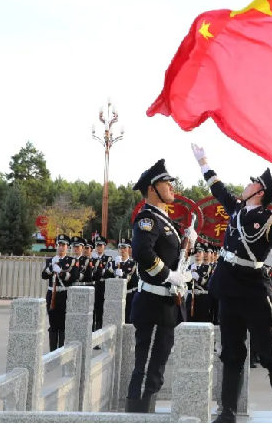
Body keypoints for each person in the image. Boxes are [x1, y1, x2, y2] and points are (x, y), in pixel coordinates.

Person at [190, 143, 272, 424]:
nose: (247, 184)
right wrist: (203, 162)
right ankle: (227, 412)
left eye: (253, 183)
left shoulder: (271, 219)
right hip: (229, 290)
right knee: (231, 353)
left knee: (270, 355)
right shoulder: (236, 209)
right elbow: (218, 189)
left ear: (260, 192)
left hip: (254, 293)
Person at [126, 159, 197, 413]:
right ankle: (137, 416)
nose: (172, 187)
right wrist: (168, 276)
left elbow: (172, 256)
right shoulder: (147, 219)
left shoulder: (165, 221)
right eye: (167, 183)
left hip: (166, 305)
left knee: (156, 371)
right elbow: (142, 252)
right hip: (153, 305)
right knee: (146, 371)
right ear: (152, 189)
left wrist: (188, 245)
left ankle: (145, 414)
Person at [41, 234, 80, 351]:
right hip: (52, 294)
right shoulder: (50, 260)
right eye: (59, 245)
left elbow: (74, 277)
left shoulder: (72, 261)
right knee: (52, 323)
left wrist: (62, 273)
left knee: (63, 323)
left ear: (67, 247)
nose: (61, 247)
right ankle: (52, 351)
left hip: (64, 294)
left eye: (63, 245)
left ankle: (61, 350)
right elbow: (44, 275)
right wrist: (51, 267)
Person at [93, 235, 114, 333]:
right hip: (93, 285)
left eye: (101, 246)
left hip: (103, 286)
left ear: (104, 246)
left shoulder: (108, 259)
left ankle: (99, 332)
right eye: (97, 245)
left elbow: (109, 274)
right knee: (92, 310)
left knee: (101, 311)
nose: (99, 248)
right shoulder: (92, 259)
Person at [114, 239, 137, 323]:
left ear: (129, 249)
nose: (122, 250)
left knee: (127, 319)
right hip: (115, 295)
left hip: (128, 294)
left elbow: (134, 281)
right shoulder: (112, 264)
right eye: (120, 248)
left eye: (125, 248)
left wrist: (122, 275)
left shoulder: (133, 264)